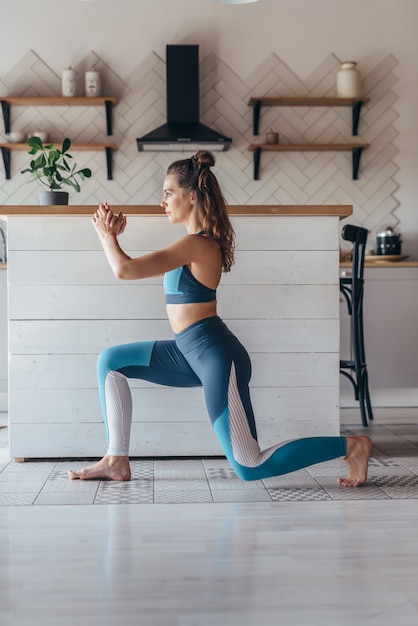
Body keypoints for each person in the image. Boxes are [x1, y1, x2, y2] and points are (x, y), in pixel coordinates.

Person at [68, 150, 371, 487]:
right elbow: (127, 267)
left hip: (215, 358)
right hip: (188, 352)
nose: (162, 201)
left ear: (192, 196)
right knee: (111, 362)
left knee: (250, 466)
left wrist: (107, 236)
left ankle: (351, 447)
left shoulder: (198, 245)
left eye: (168, 192)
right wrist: (114, 240)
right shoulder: (192, 243)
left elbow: (124, 270)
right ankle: (115, 459)